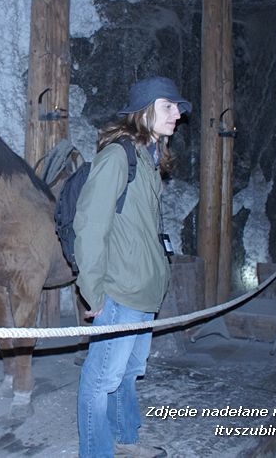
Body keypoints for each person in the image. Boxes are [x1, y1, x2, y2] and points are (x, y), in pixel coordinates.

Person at [74, 76, 191, 458]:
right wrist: (93, 292)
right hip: (119, 291)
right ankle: (96, 452)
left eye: (177, 108)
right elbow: (90, 226)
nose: (177, 114)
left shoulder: (150, 160)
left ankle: (126, 440)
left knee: (126, 373)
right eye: (168, 106)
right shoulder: (117, 157)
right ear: (144, 111)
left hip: (143, 291)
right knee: (101, 378)